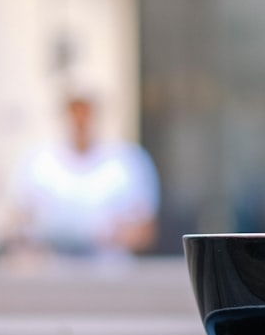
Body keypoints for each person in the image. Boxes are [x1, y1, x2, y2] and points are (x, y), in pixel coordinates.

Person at [11, 94, 160, 257]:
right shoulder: (37, 162)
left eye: (85, 113)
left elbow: (146, 233)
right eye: (74, 113)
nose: (80, 122)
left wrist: (107, 236)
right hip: (51, 275)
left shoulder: (127, 161)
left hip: (110, 275)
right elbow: (17, 225)